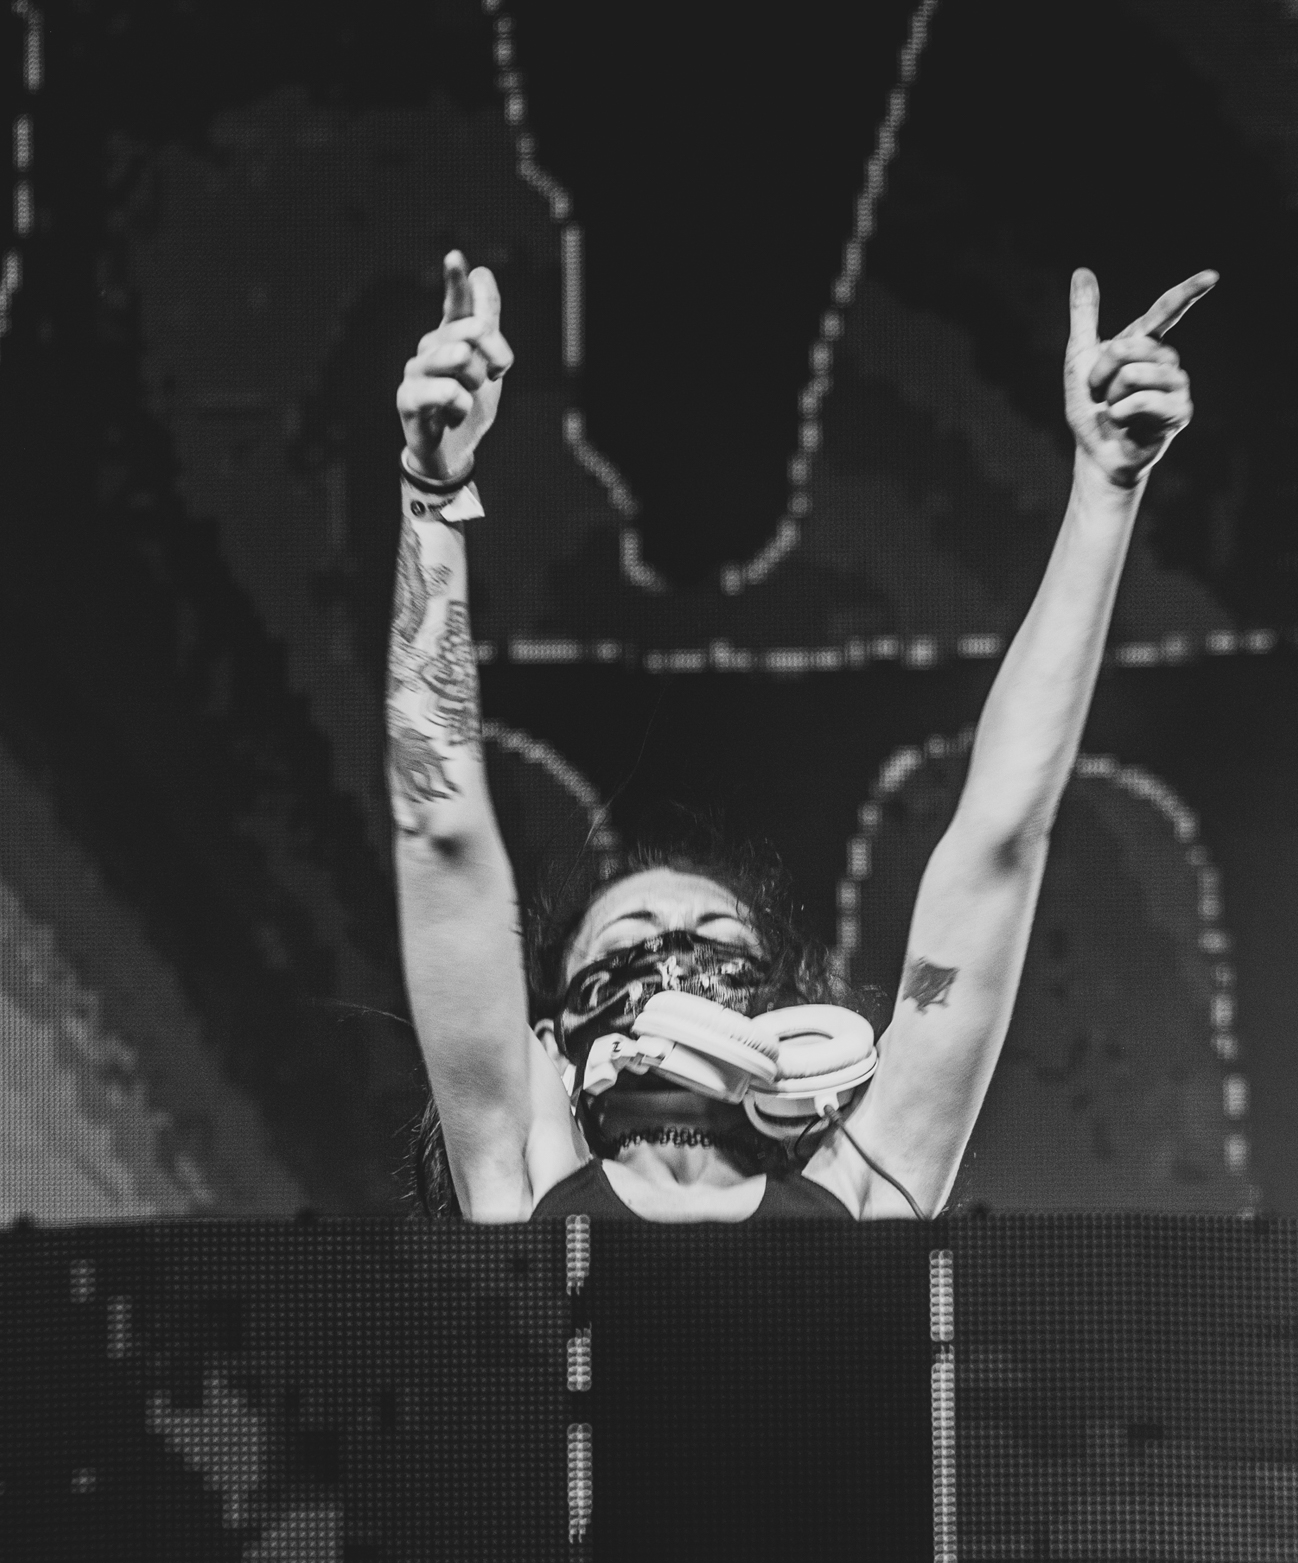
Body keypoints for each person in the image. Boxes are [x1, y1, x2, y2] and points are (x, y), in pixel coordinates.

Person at [389, 250, 1215, 1223]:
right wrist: (431, 492)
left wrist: (1105, 491)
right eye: (630, 940)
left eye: (717, 938)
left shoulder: (865, 1179)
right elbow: (438, 830)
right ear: (550, 1040)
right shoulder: (517, 1176)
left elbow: (999, 838)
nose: (678, 954)